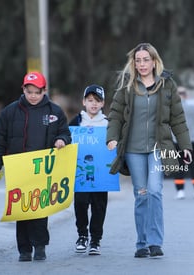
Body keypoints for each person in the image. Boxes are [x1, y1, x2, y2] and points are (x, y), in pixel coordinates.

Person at [106, 43, 192, 258]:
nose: (142, 64)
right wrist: (112, 138)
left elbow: (178, 119)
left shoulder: (167, 85)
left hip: (158, 148)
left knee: (154, 191)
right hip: (133, 150)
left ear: (154, 61)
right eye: (138, 60)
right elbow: (116, 114)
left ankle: (155, 242)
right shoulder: (128, 86)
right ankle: (141, 243)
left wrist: (185, 146)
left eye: (146, 60)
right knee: (141, 194)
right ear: (134, 63)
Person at [0, 71, 71, 262]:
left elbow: (65, 133)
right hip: (20, 169)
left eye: (37, 92)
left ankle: (40, 246)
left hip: (44, 169)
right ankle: (24, 249)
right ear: (23, 89)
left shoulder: (54, 112)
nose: (33, 95)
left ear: (44, 90)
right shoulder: (10, 112)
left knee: (40, 209)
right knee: (22, 209)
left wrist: (61, 139)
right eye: (29, 91)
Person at [69, 84, 108, 256]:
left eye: (97, 101)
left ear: (103, 103)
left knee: (99, 206)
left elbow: (115, 143)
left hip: (101, 174)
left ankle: (95, 240)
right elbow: (66, 139)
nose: (93, 104)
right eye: (90, 100)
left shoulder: (108, 123)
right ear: (83, 101)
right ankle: (82, 235)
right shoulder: (76, 122)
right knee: (80, 203)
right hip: (81, 173)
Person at [173, 87, 194, 199]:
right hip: (192, 141)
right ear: (186, 95)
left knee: (179, 167)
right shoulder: (193, 108)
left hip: (177, 142)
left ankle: (180, 191)